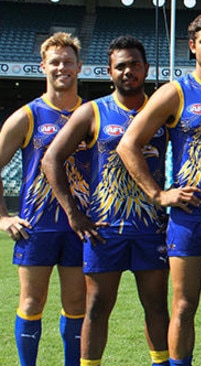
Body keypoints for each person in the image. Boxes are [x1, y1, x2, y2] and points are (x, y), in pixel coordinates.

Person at [116, 12, 201, 366]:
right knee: (183, 305)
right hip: (189, 218)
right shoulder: (175, 92)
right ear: (192, 46)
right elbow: (128, 144)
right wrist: (158, 194)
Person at [42, 35, 170, 366]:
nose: (129, 71)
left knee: (156, 306)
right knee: (97, 307)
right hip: (104, 229)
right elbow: (51, 158)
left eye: (135, 65)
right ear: (110, 71)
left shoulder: (162, 108)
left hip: (151, 228)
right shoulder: (92, 111)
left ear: (146, 69)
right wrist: (74, 213)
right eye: (121, 66)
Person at [0, 32, 88, 366]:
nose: (62, 67)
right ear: (43, 67)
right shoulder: (28, 116)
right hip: (36, 228)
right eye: (55, 62)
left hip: (80, 225)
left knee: (77, 304)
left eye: (68, 61)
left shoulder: (92, 113)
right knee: (32, 301)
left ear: (79, 67)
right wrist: (3, 217)